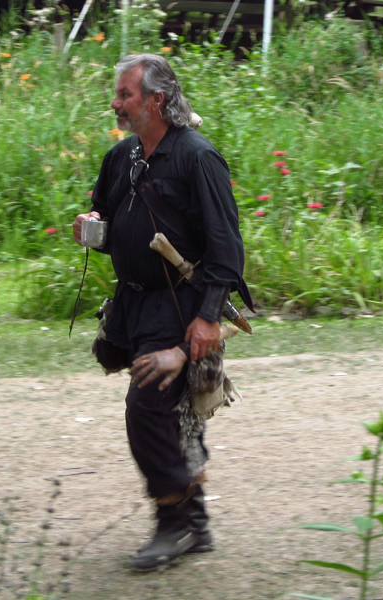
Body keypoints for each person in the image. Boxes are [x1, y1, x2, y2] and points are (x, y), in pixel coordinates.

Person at [72, 54, 253, 571]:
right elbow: (109, 221)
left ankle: (172, 522)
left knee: (148, 406)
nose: (116, 103)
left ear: (156, 100)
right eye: (118, 95)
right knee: (175, 414)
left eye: (126, 95)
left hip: (182, 304)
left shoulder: (198, 158)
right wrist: (94, 226)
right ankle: (194, 523)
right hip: (135, 304)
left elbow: (225, 246)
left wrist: (208, 318)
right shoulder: (122, 157)